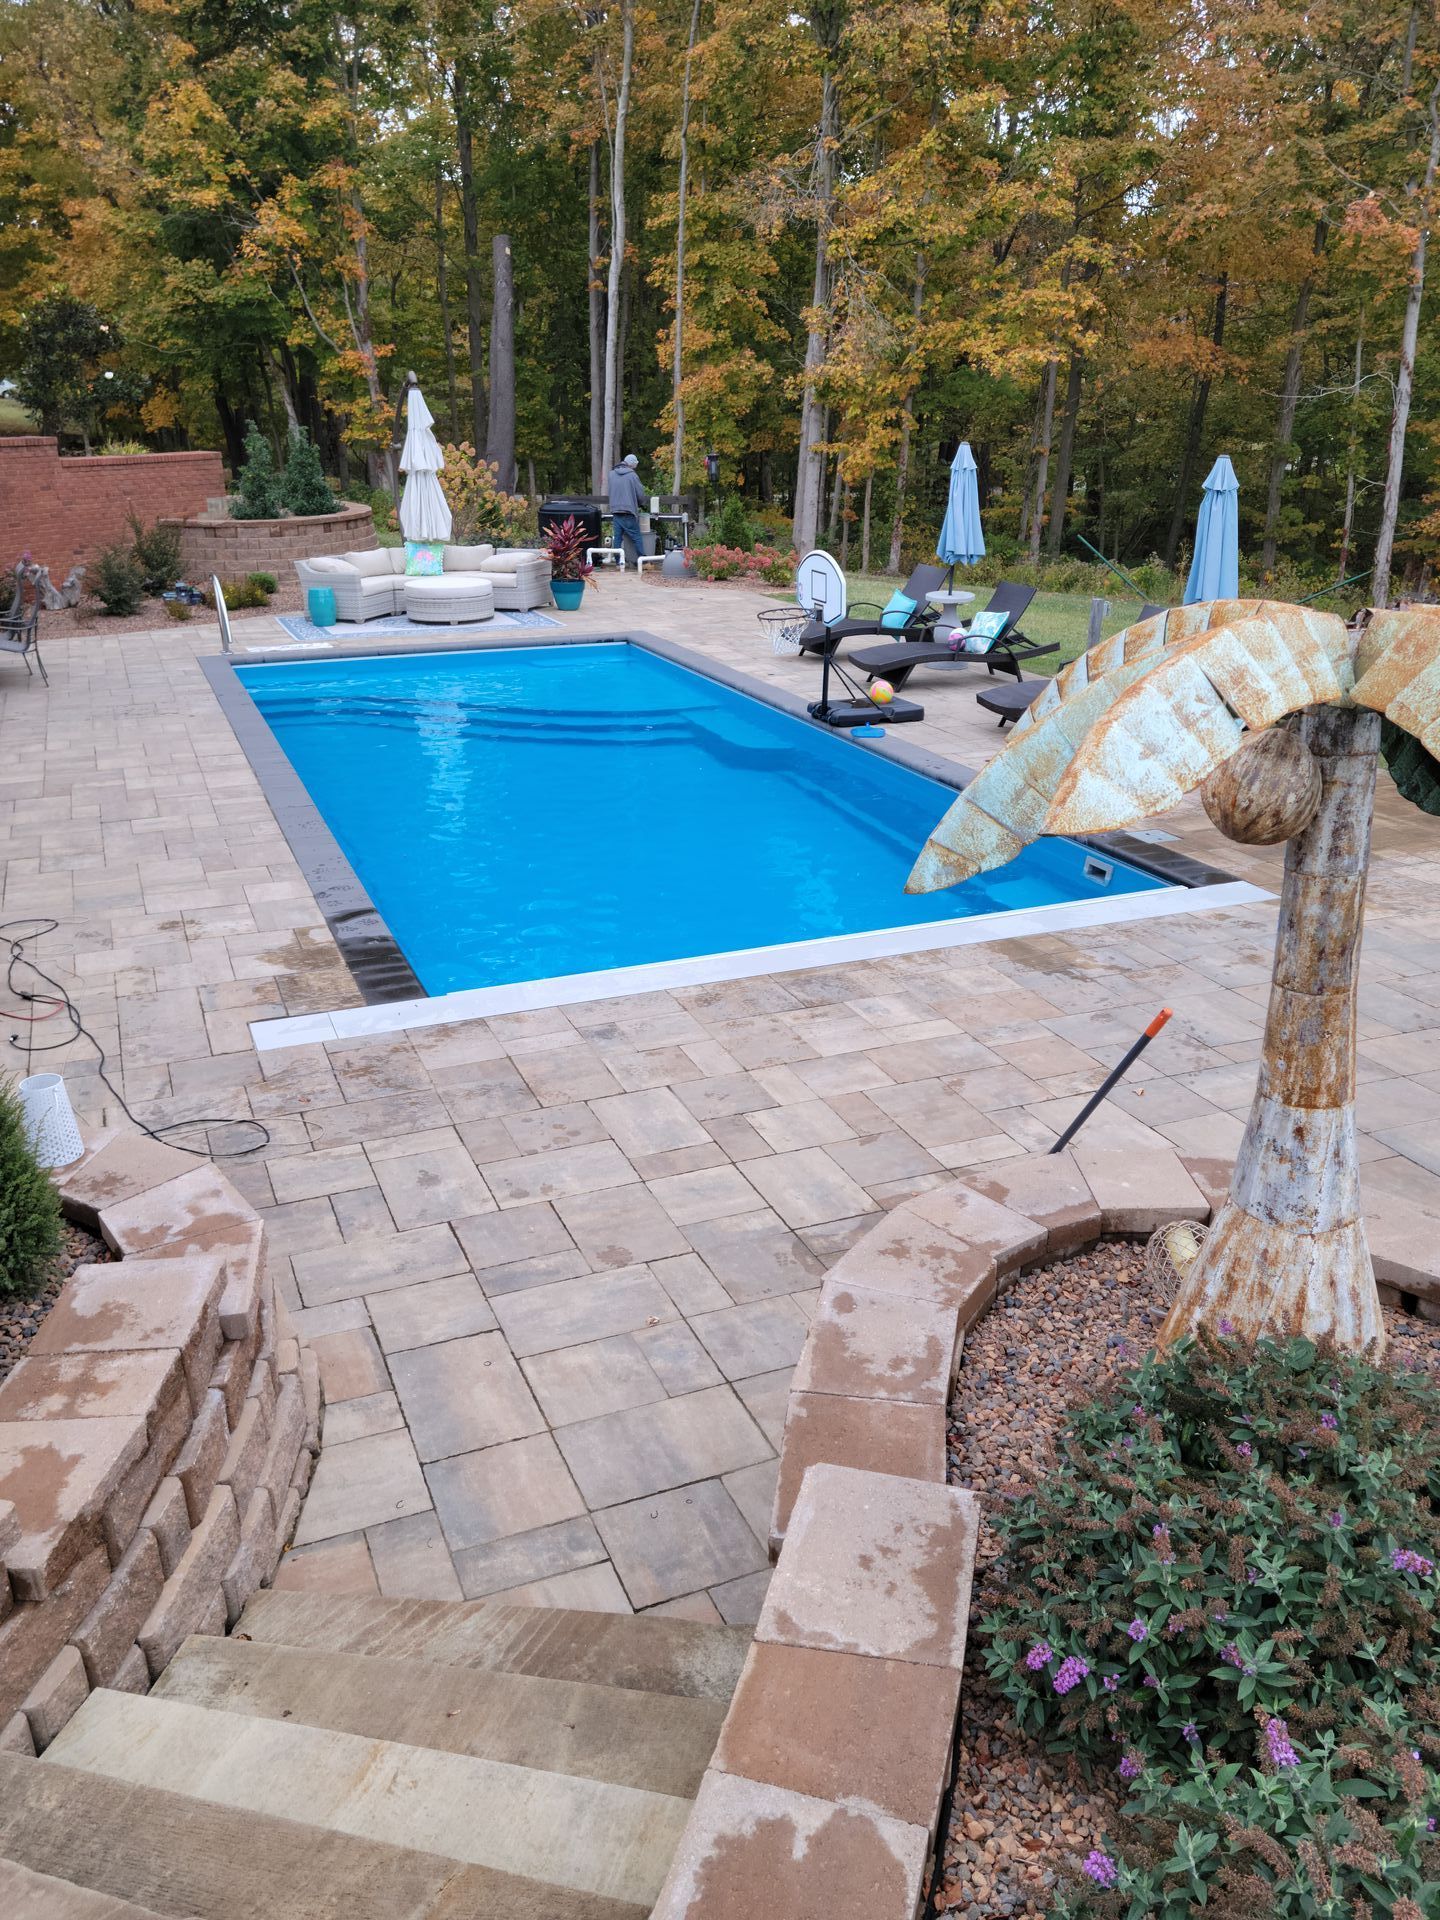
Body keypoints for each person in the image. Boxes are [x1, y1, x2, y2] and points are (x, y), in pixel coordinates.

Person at [606, 452, 648, 569]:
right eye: (635, 465)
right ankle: (643, 561)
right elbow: (640, 494)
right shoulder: (632, 475)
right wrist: (642, 504)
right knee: (636, 536)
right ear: (631, 464)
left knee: (617, 538)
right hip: (628, 510)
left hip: (615, 510)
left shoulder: (611, 474)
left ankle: (619, 562)